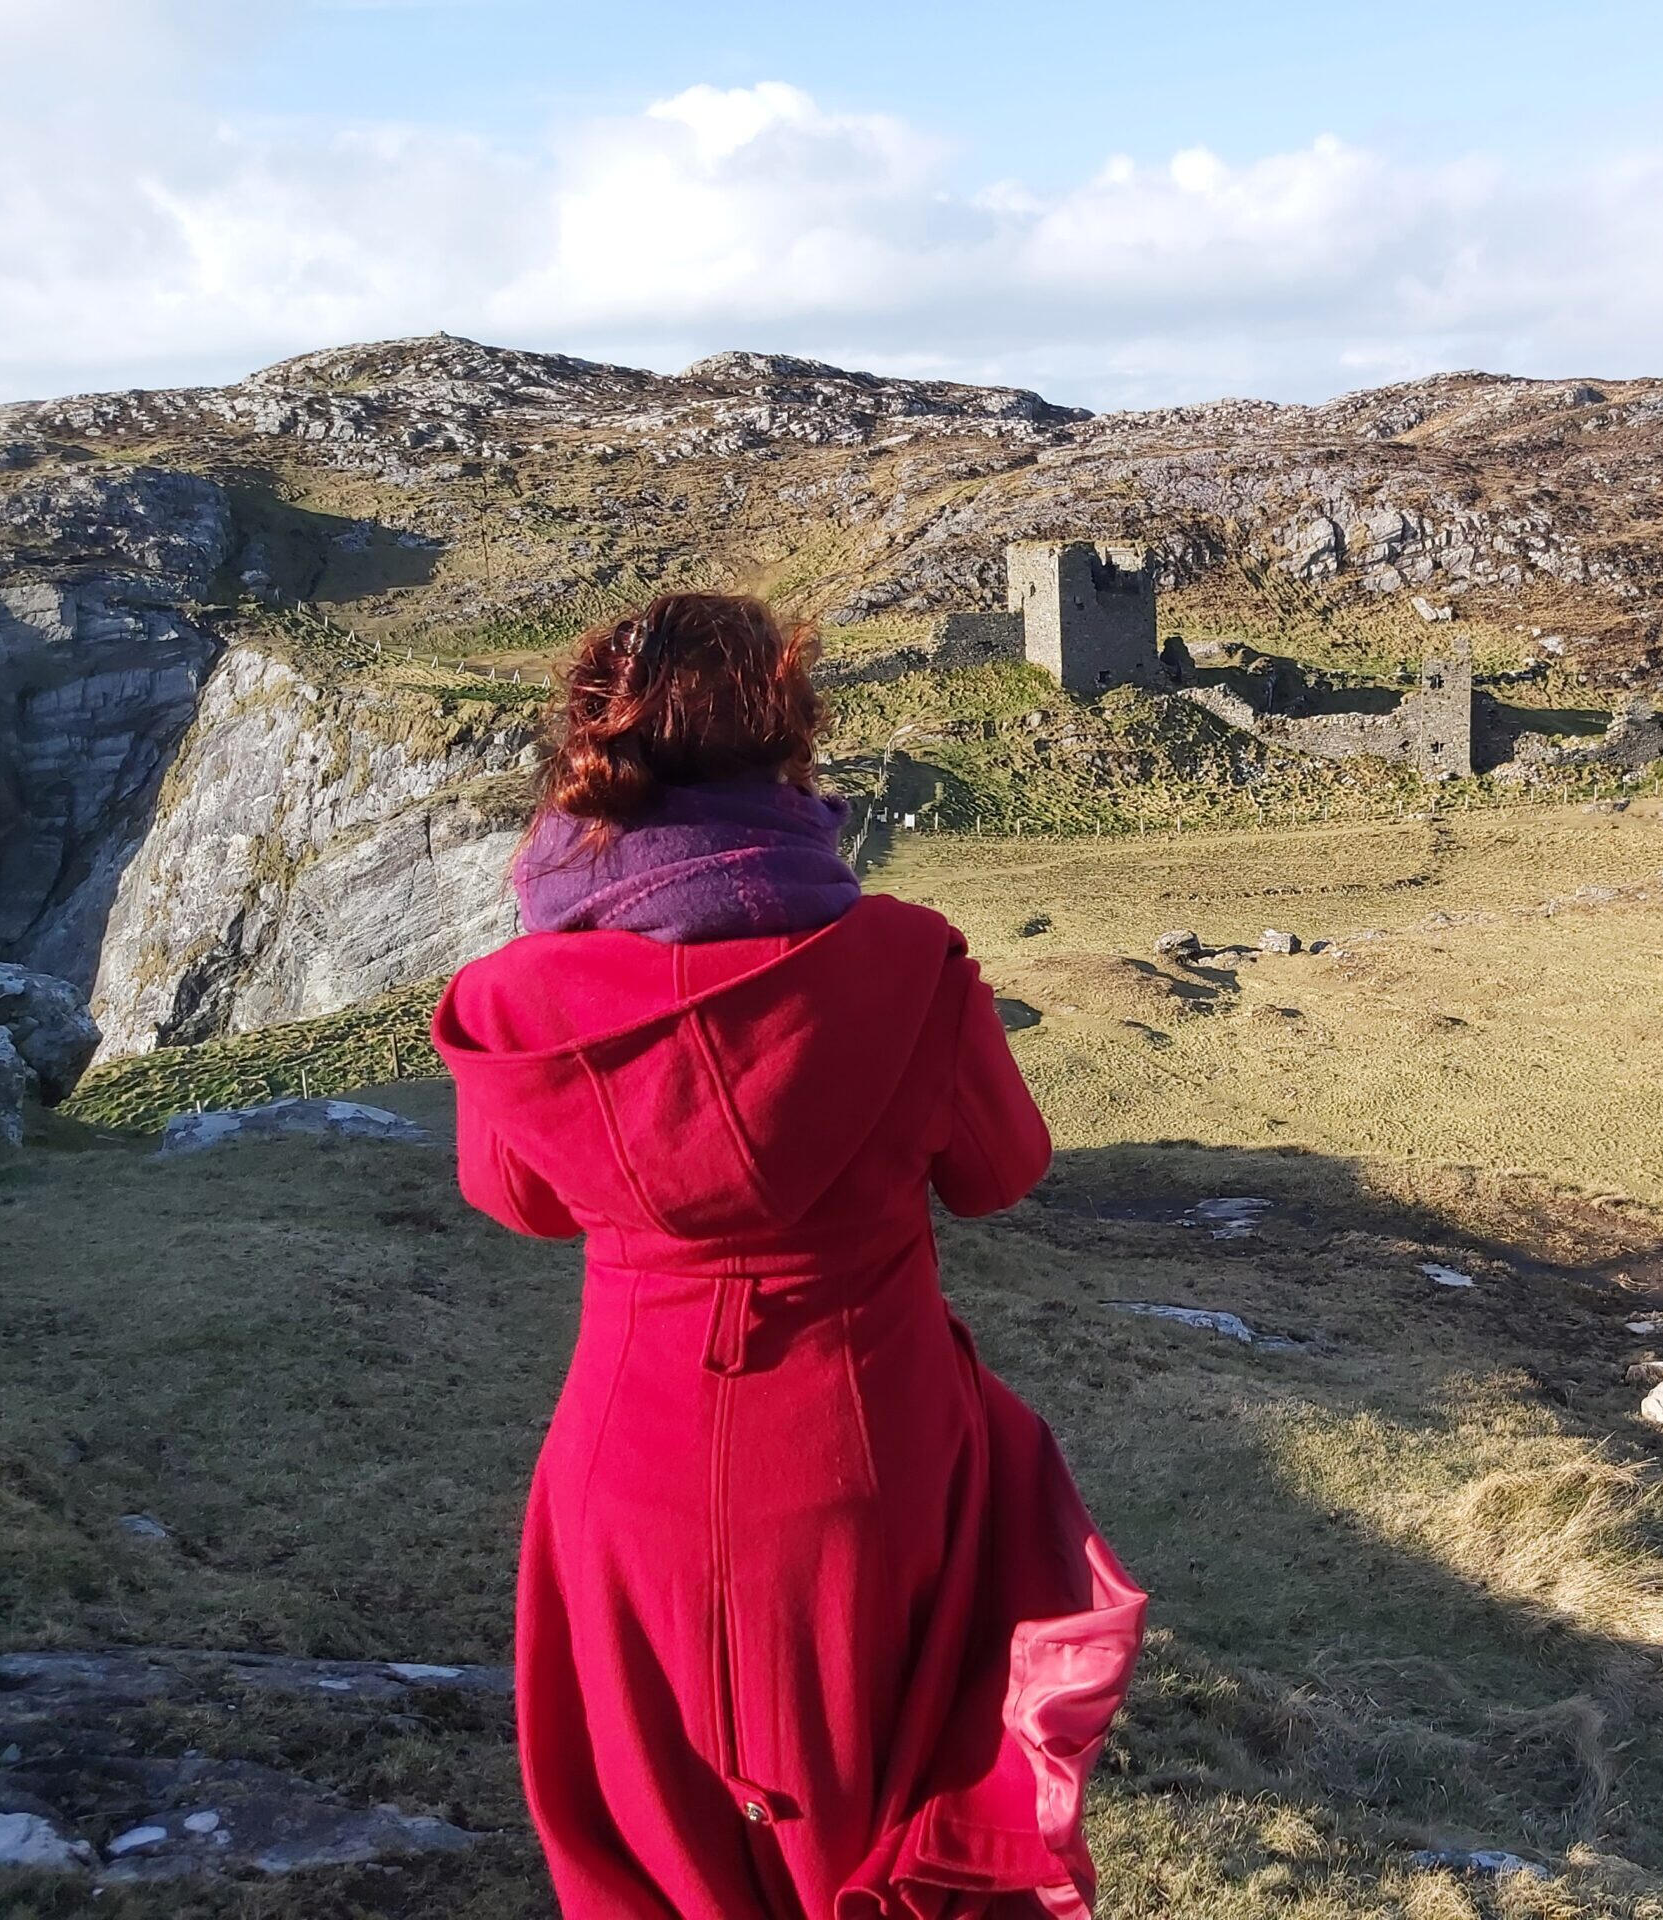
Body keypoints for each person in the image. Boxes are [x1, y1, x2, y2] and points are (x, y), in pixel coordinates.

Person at [432, 592, 1144, 1920]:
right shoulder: (907, 960)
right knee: (864, 1815)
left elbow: (518, 1201)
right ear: (789, 745)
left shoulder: (513, 1000)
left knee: (662, 1844)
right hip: (869, 1452)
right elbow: (1000, 1173)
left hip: (627, 1464)